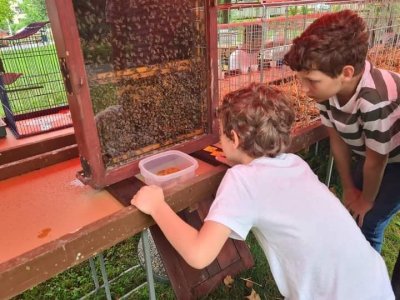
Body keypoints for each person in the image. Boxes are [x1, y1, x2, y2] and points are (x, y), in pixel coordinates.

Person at [131, 83, 394, 299]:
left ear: (234, 138)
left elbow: (199, 255)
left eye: (221, 136)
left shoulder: (243, 180)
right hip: (373, 282)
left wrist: (157, 206)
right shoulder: (295, 163)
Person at [283, 9, 400, 253]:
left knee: (368, 220)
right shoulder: (326, 91)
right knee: (351, 210)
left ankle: (368, 286)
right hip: (374, 154)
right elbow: (337, 140)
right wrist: (348, 188)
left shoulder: (374, 101)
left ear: (346, 73)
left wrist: (366, 200)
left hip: (393, 159)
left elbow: (377, 161)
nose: (304, 89)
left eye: (311, 81)